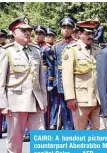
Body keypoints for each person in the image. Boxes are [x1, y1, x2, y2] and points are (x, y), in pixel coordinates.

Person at [0, 17, 47, 153]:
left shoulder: (36, 50)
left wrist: (44, 101)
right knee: (15, 141)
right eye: (24, 30)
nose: (28, 32)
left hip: (36, 102)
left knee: (42, 138)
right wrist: (3, 105)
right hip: (16, 102)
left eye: (29, 30)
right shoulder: (6, 51)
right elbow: (1, 80)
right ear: (14, 33)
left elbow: (41, 79)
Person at [62, 19, 107, 130]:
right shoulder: (71, 50)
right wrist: (70, 98)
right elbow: (67, 76)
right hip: (80, 100)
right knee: (80, 133)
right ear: (79, 34)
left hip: (97, 100)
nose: (91, 36)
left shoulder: (98, 50)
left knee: (103, 131)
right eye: (87, 33)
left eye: (92, 33)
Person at [54, 16, 76, 130]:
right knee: (64, 109)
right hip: (61, 83)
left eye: (69, 27)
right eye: (63, 27)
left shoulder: (76, 44)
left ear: (73, 29)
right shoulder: (57, 45)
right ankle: (67, 131)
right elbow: (55, 65)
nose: (66, 29)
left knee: (73, 110)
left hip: (73, 83)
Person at [41, 28, 58, 130]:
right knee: (49, 102)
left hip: (50, 78)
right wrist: (50, 81)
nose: (48, 38)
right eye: (47, 36)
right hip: (47, 78)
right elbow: (50, 66)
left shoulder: (51, 48)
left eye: (50, 36)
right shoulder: (47, 49)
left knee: (53, 102)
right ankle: (50, 123)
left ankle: (52, 122)